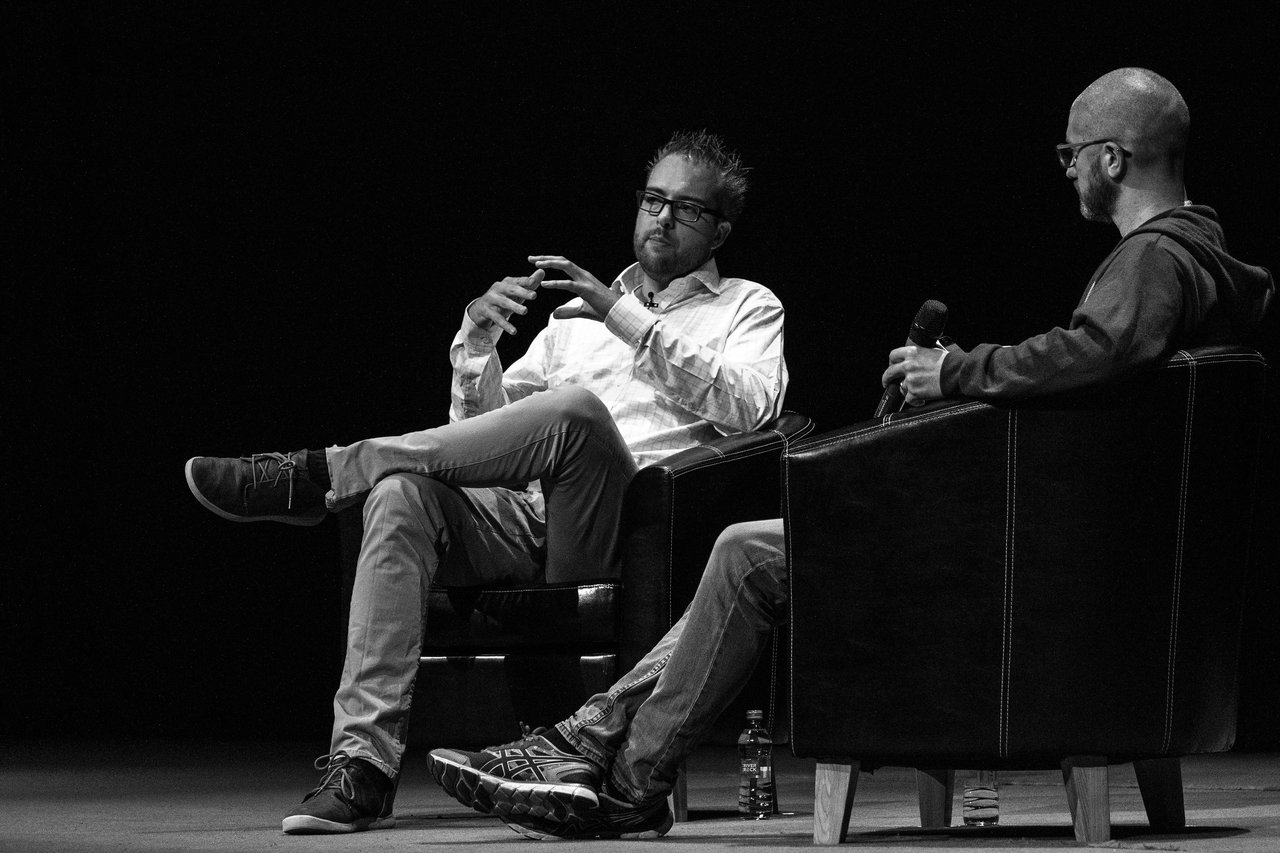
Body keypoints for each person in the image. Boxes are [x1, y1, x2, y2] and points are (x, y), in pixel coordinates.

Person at [426, 67, 1274, 841]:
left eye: (1071, 152)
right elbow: (1098, 383)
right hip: (1077, 565)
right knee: (752, 547)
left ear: (1113, 158)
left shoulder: (1154, 259)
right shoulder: (1201, 257)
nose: (1066, 169)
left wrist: (958, 371)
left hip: (1044, 571)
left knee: (750, 551)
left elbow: (1095, 350)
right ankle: (606, 755)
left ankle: (608, 760)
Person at [183, 129, 789, 835]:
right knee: (402, 491)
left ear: (718, 228)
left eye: (685, 208)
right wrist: (475, 345)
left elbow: (753, 406)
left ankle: (320, 474)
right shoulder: (570, 319)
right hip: (523, 517)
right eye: (653, 199)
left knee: (575, 411)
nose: (660, 216)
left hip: (626, 526)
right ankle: (362, 767)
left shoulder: (747, 306)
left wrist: (623, 319)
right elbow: (483, 435)